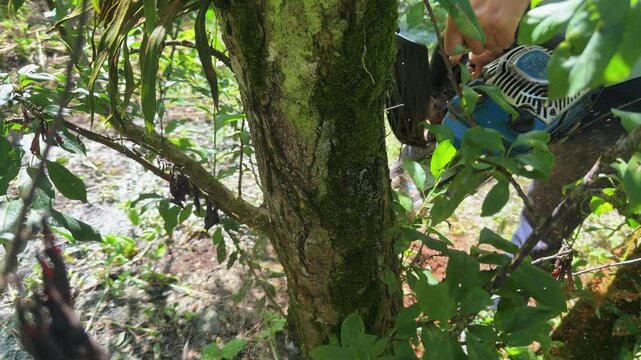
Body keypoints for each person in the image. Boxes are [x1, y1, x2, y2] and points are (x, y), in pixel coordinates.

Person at [441, 0, 638, 257]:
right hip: (550, 24)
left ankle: (509, 280)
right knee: (447, 137)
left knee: (556, 207)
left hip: (630, 81)